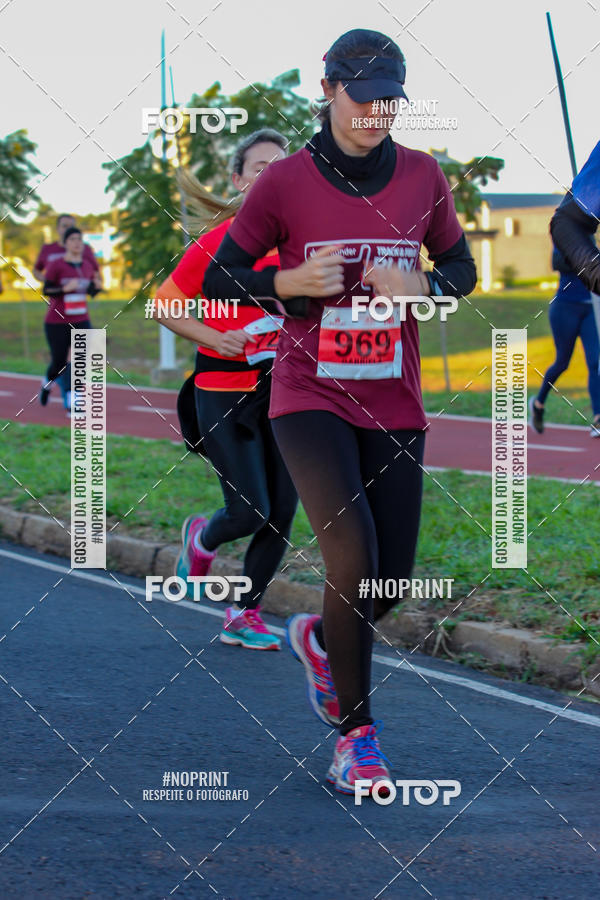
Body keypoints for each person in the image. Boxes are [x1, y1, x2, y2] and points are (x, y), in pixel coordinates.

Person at [203, 29, 476, 794]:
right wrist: (288, 283)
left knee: (386, 585)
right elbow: (223, 276)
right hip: (308, 393)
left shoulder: (424, 177)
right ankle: (356, 738)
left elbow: (462, 267)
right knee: (349, 555)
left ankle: (321, 643)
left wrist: (425, 287)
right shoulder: (285, 183)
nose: (376, 114)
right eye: (362, 100)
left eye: (389, 99)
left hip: (394, 399)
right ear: (327, 92)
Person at [152, 128, 298, 651]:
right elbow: (164, 303)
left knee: (282, 511)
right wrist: (220, 337)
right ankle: (201, 537)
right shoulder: (219, 243)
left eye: (282, 168)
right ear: (238, 180)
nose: (272, 177)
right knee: (250, 510)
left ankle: (244, 614)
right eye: (261, 168)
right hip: (221, 391)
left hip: (284, 395)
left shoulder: (298, 250)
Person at [530, 141, 600, 438]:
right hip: (566, 306)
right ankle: (540, 401)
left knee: (596, 361)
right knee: (562, 362)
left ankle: (598, 416)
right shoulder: (567, 236)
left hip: (589, 307)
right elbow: (561, 260)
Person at [34, 214, 100, 408]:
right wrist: (65, 289)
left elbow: (90, 291)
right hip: (57, 320)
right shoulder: (56, 265)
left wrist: (95, 286)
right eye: (72, 239)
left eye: (80, 239)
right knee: (59, 362)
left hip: (81, 319)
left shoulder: (87, 266)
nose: (77, 243)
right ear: (65, 243)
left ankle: (74, 400)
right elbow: (46, 290)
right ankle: (46, 384)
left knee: (80, 360)